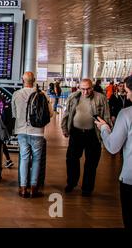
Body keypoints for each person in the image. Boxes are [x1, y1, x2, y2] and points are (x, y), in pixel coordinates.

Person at [61, 78, 111, 197]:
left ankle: (87, 188)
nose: (85, 92)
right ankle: (71, 183)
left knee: (91, 163)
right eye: (83, 89)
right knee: (72, 159)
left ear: (92, 87)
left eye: (88, 89)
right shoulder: (73, 97)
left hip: (93, 134)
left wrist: (107, 133)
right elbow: (67, 113)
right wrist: (64, 128)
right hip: (76, 133)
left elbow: (106, 115)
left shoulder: (101, 98)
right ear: (79, 88)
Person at [94, 75, 132, 229]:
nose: (127, 95)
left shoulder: (127, 114)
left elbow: (113, 146)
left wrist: (104, 128)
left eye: (128, 91)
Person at [12, 72, 53, 198]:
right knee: (36, 160)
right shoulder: (43, 94)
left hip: (22, 131)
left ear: (22, 80)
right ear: (34, 80)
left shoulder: (16, 94)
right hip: (37, 132)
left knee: (24, 158)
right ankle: (34, 188)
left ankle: (23, 188)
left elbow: (14, 114)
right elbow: (50, 114)